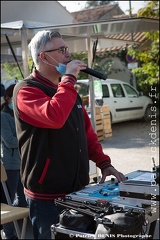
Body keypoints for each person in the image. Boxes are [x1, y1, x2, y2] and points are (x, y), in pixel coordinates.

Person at [13, 30, 126, 239]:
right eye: (62, 50)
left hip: (77, 191)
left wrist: (103, 162)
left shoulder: (68, 91)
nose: (68, 55)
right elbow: (53, 116)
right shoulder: (26, 90)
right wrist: (69, 79)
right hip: (46, 196)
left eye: (67, 49)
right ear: (44, 56)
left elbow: (86, 133)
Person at [1, 84, 27, 239]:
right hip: (10, 165)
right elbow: (10, 141)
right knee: (8, 202)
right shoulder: (3, 116)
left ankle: (21, 232)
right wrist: (27, 140)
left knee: (23, 199)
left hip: (22, 163)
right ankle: (10, 235)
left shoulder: (18, 113)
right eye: (14, 97)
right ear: (8, 98)